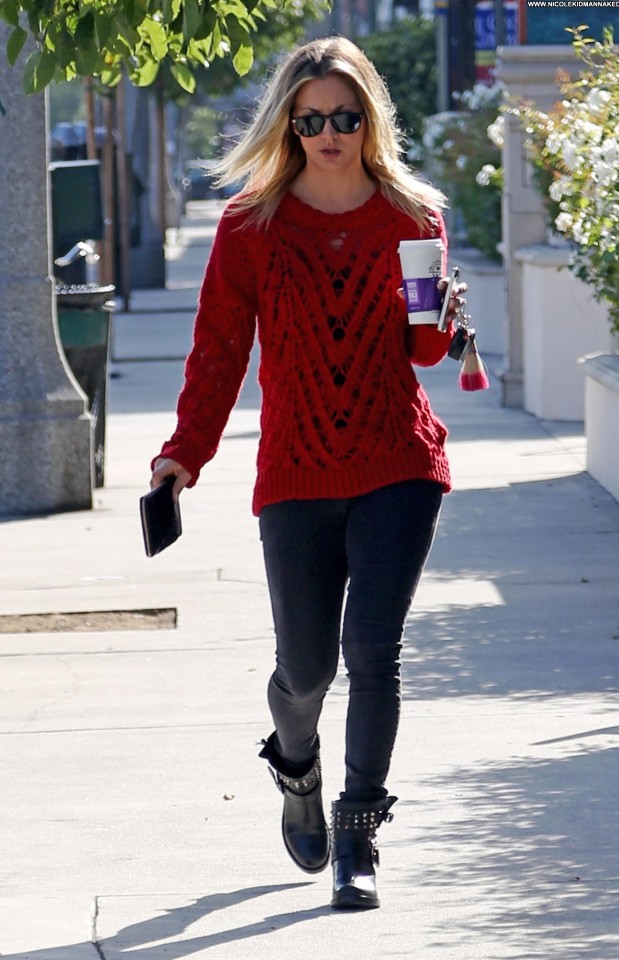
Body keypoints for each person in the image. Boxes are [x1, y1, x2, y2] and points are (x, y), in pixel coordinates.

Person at [150, 35, 467, 911]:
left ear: (371, 121)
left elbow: (424, 353)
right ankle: (297, 766)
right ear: (288, 126)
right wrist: (184, 453)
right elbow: (219, 349)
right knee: (305, 669)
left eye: (346, 118)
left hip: (398, 461)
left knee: (374, 652)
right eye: (312, 120)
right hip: (295, 470)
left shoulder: (414, 217)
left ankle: (358, 835)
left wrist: (441, 312)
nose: (330, 134)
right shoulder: (250, 226)